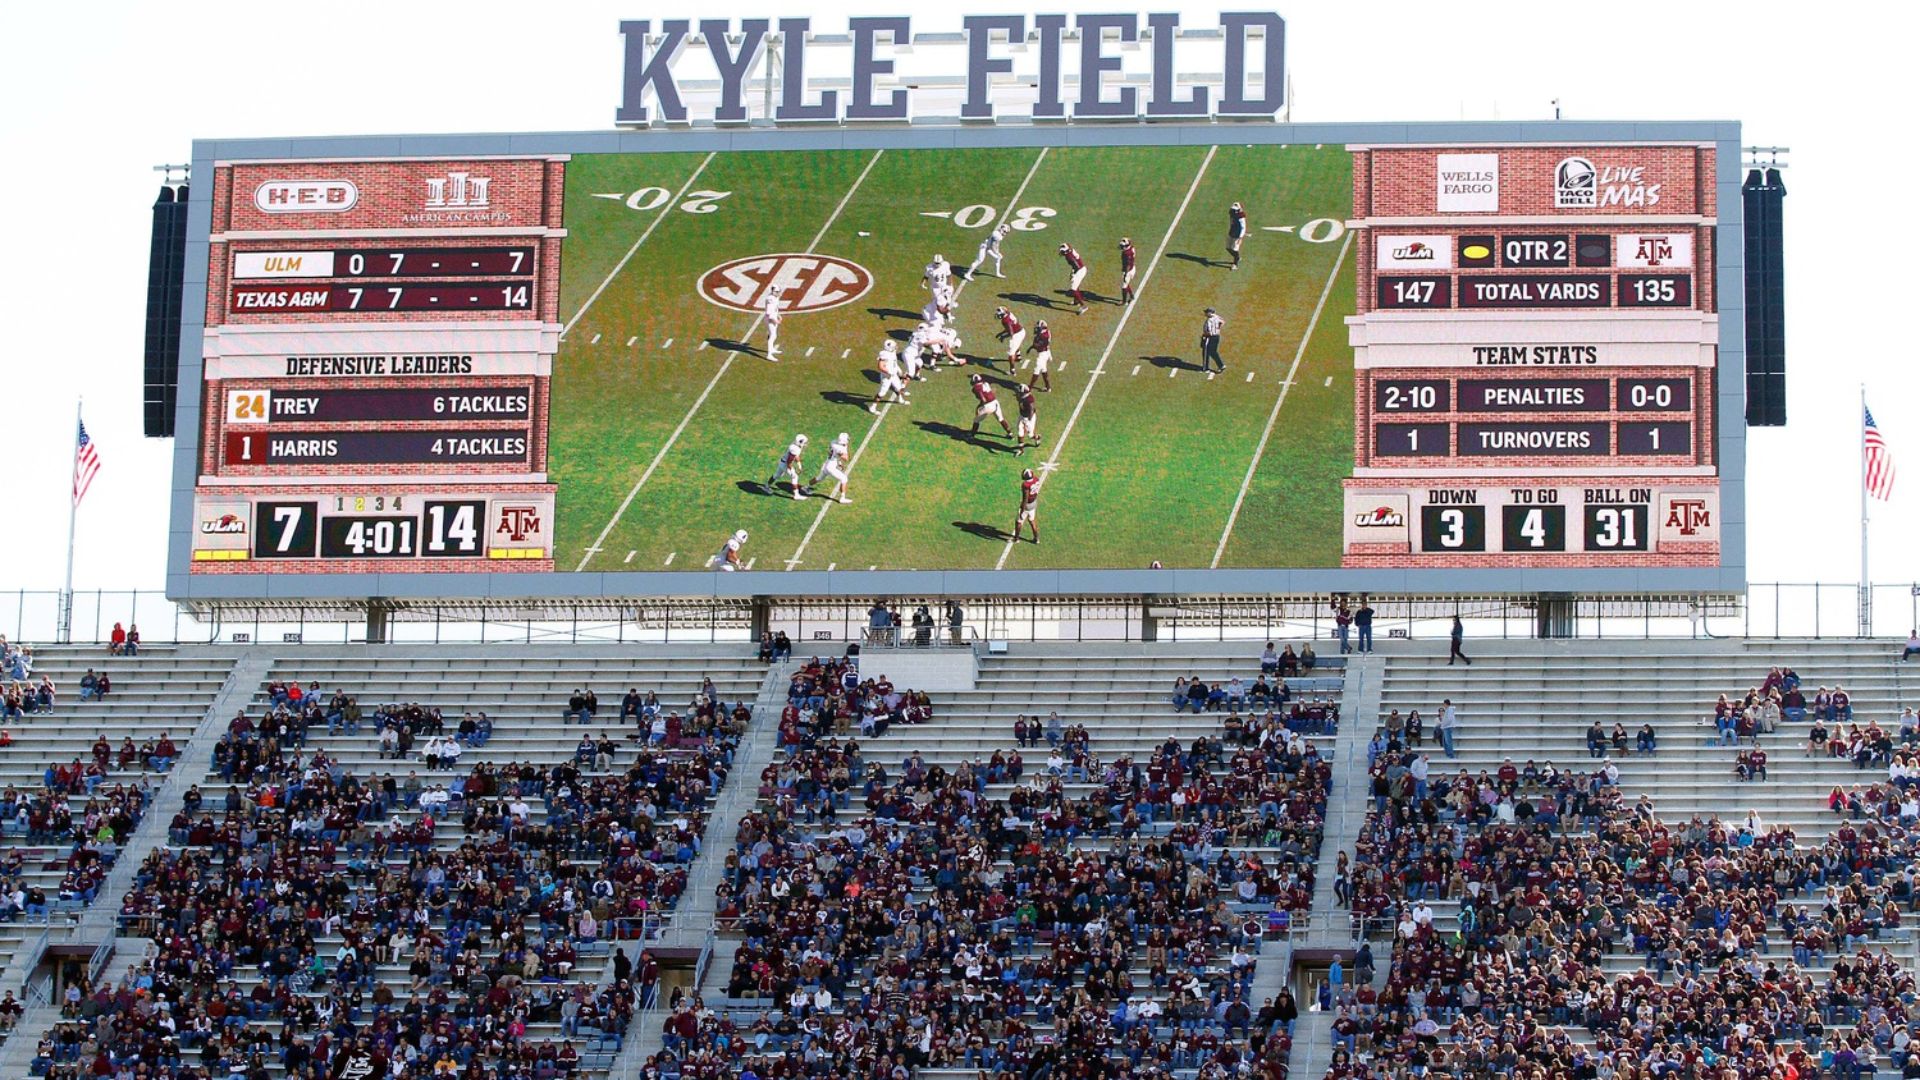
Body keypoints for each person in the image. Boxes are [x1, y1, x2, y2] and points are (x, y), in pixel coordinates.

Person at [1012, 467, 1040, 544]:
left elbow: (1025, 498)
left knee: (1018, 522)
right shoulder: (1036, 479)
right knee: (1031, 520)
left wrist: (1022, 511)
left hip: (1027, 505)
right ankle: (1036, 538)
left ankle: (1016, 538)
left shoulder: (1026, 484)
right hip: (1034, 503)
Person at [761, 286, 784, 360]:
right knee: (773, 335)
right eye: (777, 292)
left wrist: (778, 315)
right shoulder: (770, 299)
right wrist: (775, 320)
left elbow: (775, 309)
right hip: (770, 319)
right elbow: (769, 313)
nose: (779, 293)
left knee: (773, 335)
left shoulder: (775, 298)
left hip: (773, 317)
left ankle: (772, 349)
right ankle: (769, 354)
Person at [1200, 307, 1225, 372]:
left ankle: (1205, 368)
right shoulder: (1217, 317)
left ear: (1210, 313)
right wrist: (1218, 328)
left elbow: (1210, 332)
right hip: (1217, 336)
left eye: (1206, 312)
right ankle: (1221, 365)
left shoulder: (1209, 321)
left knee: (1205, 352)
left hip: (1210, 338)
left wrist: (1204, 335)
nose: (1205, 313)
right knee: (1213, 352)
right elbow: (1222, 321)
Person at [1226, 201, 1248, 269]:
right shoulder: (1232, 213)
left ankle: (1235, 264)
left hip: (1237, 234)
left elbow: (1243, 227)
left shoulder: (1241, 217)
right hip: (1231, 232)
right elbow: (1231, 221)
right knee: (1228, 248)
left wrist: (1240, 238)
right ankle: (1237, 257)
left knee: (1235, 249)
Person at [1118, 236, 1138, 304]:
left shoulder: (1127, 253)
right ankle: (1131, 296)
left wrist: (1125, 274)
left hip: (1128, 271)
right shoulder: (1131, 248)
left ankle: (1124, 301)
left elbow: (1128, 265)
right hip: (1132, 268)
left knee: (1124, 286)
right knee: (1126, 283)